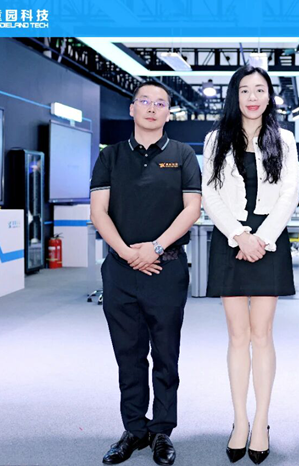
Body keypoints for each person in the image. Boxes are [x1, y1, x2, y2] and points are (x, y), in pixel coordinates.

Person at [90, 80, 202, 466]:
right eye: (145, 101)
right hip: (120, 271)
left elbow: (191, 210)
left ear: (169, 113)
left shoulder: (183, 155)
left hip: (167, 269)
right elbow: (98, 211)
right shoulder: (111, 156)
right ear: (132, 108)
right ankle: (134, 429)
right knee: (129, 354)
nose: (152, 108)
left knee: (166, 354)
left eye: (160, 103)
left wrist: (154, 248)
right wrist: (127, 253)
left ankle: (162, 431)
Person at [202, 65, 299, 465]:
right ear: (235, 95)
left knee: (262, 334)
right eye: (245, 90)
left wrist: (261, 238)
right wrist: (239, 235)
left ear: (269, 95)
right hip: (230, 239)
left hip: (268, 240)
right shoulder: (216, 139)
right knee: (237, 335)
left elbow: (290, 193)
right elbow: (210, 193)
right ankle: (240, 421)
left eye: (260, 89)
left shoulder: (285, 139)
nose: (253, 97)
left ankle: (261, 422)